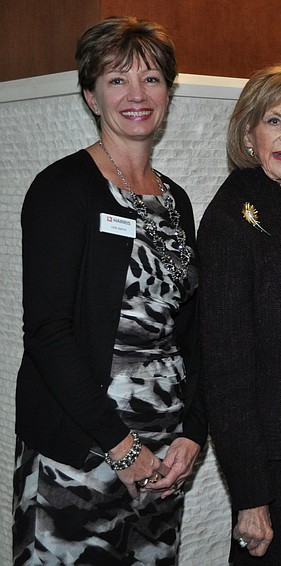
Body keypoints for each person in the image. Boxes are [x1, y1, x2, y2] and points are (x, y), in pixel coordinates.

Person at [13, 16, 205, 564]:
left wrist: (192, 430)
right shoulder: (61, 190)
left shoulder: (177, 202)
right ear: (91, 97)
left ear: (168, 90)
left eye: (151, 78)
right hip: (80, 453)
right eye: (117, 80)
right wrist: (122, 450)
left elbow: (190, 330)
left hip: (164, 458)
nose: (137, 95)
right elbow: (48, 334)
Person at [196, 63, 281, 564]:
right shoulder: (232, 216)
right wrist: (251, 499)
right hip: (266, 460)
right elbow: (227, 370)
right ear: (248, 132)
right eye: (275, 121)